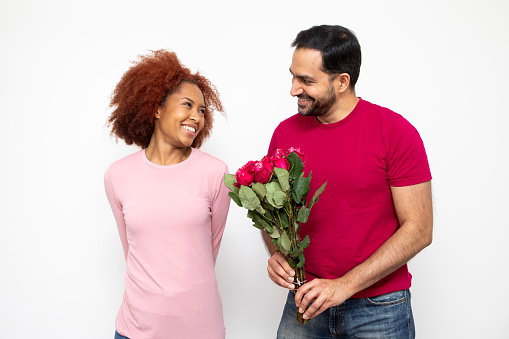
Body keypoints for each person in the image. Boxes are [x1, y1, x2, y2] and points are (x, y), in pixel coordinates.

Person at [263, 25, 433, 338]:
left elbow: (419, 230)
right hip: (305, 302)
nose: (293, 89)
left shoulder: (394, 132)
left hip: (380, 309)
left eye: (306, 80)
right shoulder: (284, 134)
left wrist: (344, 286)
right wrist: (276, 253)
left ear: (342, 81)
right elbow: (271, 212)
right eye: (293, 76)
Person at [104, 50, 230, 339]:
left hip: (200, 328)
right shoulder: (117, 175)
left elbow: (207, 251)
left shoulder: (216, 173)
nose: (196, 117)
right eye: (187, 104)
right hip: (135, 329)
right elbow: (132, 250)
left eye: (201, 110)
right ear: (156, 108)